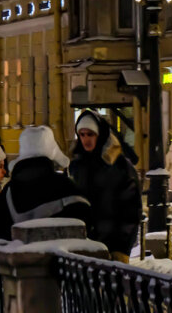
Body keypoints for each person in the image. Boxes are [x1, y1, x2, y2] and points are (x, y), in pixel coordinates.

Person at [0, 125, 91, 240]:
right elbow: (85, 224)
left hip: (17, 255)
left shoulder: (7, 192)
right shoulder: (67, 188)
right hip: (56, 255)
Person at [69, 110, 141, 262]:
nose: (86, 139)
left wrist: (121, 247)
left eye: (90, 134)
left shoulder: (118, 165)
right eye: (82, 135)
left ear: (99, 135)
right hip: (86, 244)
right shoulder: (77, 166)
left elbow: (131, 208)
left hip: (113, 246)